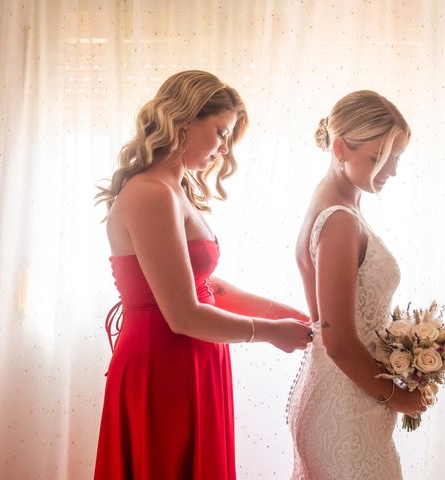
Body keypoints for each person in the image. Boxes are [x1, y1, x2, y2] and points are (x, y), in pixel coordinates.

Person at [94, 70, 312, 479]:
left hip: (193, 357)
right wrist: (271, 333)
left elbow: (207, 286)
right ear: (185, 120)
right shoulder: (151, 193)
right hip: (163, 364)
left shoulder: (176, 191)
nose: (225, 148)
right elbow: (183, 315)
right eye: (220, 132)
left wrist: (280, 312)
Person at [286, 90, 426, 479]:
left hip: (346, 393)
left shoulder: (338, 205)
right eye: (379, 158)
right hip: (345, 405)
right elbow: (339, 341)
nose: (391, 170)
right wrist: (400, 398)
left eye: (396, 158)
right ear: (340, 148)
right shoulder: (339, 221)